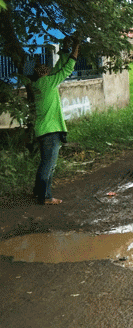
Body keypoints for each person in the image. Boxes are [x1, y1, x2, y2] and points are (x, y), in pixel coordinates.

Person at [32, 36, 80, 205]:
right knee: (49, 166)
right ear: (43, 72)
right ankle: (45, 197)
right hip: (50, 131)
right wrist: (75, 48)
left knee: (44, 163)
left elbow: (59, 68)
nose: (47, 67)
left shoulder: (39, 84)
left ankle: (38, 192)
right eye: (44, 67)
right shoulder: (47, 83)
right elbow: (66, 70)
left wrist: (66, 49)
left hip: (42, 130)